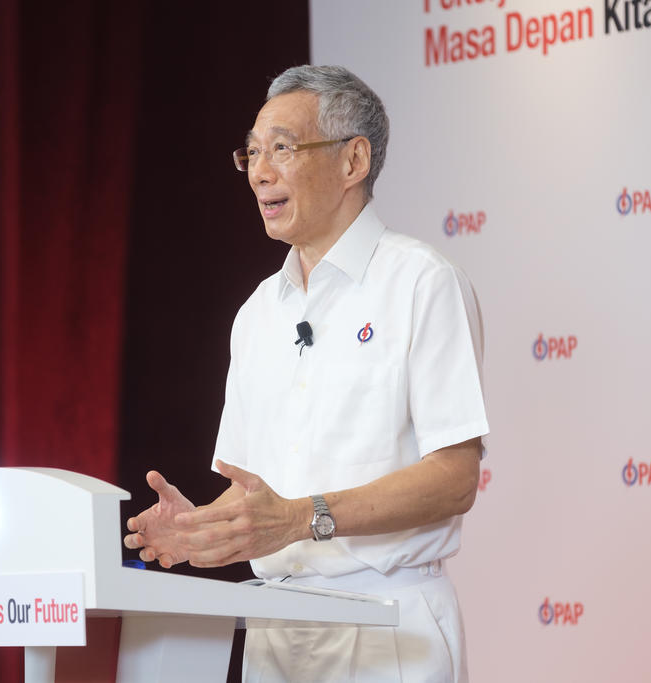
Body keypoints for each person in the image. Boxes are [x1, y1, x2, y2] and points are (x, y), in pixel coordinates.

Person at [124, 65, 489, 682]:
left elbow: (455, 478)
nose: (260, 172)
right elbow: (259, 492)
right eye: (253, 152)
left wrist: (303, 517)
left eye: (283, 149)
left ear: (353, 162)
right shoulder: (257, 312)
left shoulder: (422, 284)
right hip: (276, 630)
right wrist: (203, 530)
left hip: (388, 622)